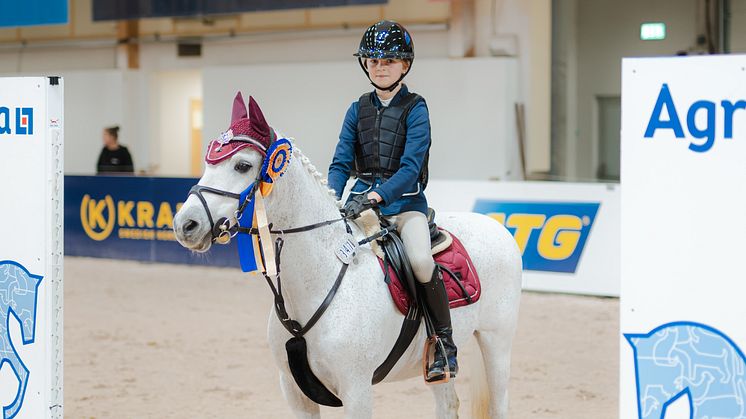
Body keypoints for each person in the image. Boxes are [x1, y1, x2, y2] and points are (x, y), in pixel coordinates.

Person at [327, 20, 458, 382]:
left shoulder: (417, 109)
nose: (380, 67)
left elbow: (411, 169)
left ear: (405, 65)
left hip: (405, 206)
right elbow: (340, 162)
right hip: (360, 205)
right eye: (373, 61)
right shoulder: (357, 109)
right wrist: (331, 197)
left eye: (389, 61)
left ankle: (444, 343)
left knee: (419, 260)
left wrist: (375, 195)